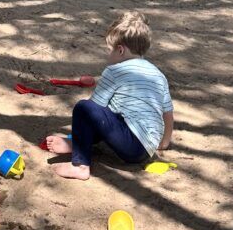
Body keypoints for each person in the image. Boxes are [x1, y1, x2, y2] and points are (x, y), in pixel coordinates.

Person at [44, 10, 173, 180]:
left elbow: (94, 109)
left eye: (109, 50)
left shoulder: (114, 71)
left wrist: (79, 131)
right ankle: (77, 144)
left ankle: (80, 165)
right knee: (111, 114)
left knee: (84, 108)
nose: (108, 55)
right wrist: (163, 144)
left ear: (120, 50)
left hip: (130, 145)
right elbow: (168, 113)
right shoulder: (158, 75)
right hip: (146, 149)